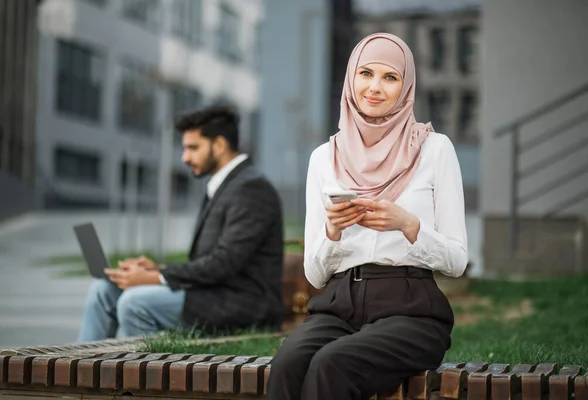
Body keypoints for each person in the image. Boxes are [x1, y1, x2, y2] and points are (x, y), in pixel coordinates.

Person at [267, 33, 469, 400]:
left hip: (411, 308)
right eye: (365, 74)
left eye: (390, 77)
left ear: (405, 86)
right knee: (286, 365)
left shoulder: (434, 150)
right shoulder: (324, 158)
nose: (374, 87)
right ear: (350, 79)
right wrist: (332, 230)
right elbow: (314, 274)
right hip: (337, 304)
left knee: (333, 364)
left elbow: (457, 260)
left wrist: (408, 225)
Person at [77, 106, 284, 341]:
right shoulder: (225, 185)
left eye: (193, 148)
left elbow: (224, 263)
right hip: (210, 292)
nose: (185, 157)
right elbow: (210, 262)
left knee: (135, 303)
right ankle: (78, 373)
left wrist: (157, 277)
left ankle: (148, 373)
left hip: (242, 304)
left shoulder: (251, 188)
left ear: (219, 145)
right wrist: (157, 269)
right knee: (104, 291)